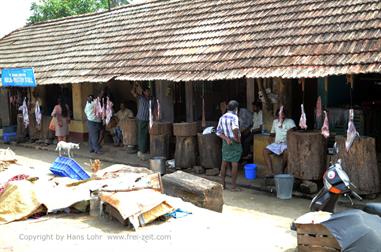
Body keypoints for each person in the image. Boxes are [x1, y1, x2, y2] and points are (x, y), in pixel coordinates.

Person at [216, 100, 242, 191]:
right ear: (236, 109)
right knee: (234, 163)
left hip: (225, 141)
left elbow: (218, 132)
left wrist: (226, 139)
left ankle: (223, 185)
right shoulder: (234, 117)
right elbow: (235, 129)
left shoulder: (222, 117)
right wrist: (237, 139)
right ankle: (233, 186)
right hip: (234, 141)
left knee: (224, 162)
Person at [263, 107, 295, 175]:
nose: (281, 117)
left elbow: (293, 130)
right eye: (280, 115)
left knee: (286, 152)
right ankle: (270, 171)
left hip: (286, 144)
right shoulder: (275, 122)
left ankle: (282, 169)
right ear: (277, 116)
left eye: (283, 115)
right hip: (277, 143)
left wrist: (289, 130)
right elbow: (272, 134)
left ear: (285, 115)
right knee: (265, 151)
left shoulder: (290, 121)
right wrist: (270, 139)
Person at [131, 84, 151, 159]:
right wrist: (135, 85)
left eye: (149, 91)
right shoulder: (140, 98)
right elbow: (132, 92)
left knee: (146, 135)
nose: (148, 93)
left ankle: (144, 149)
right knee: (141, 135)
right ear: (144, 92)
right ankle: (141, 150)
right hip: (141, 119)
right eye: (147, 91)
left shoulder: (150, 99)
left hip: (148, 119)